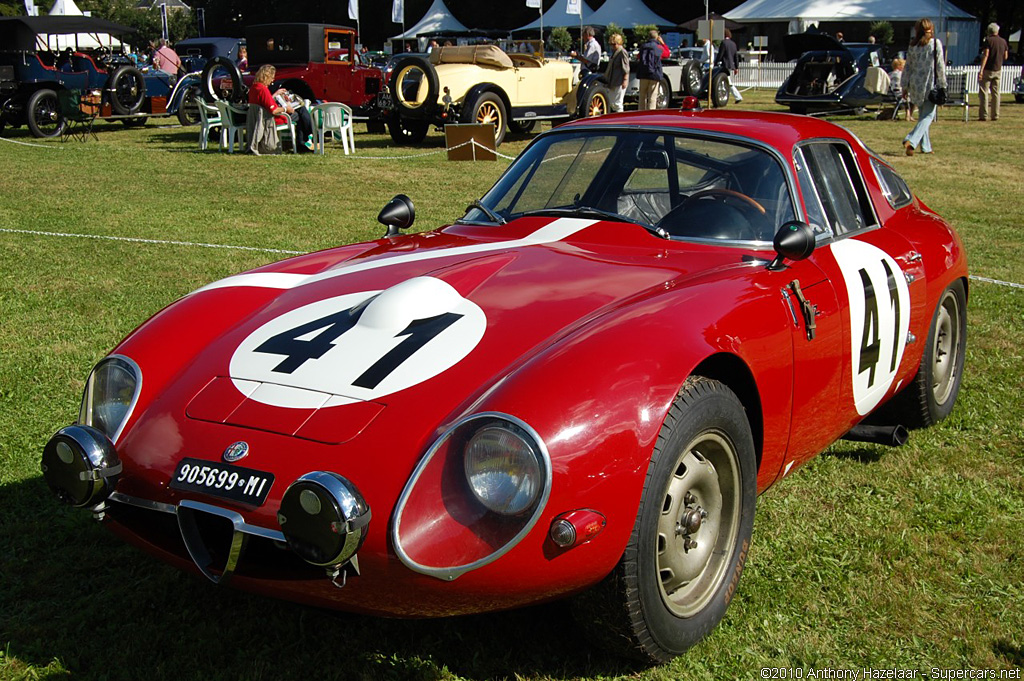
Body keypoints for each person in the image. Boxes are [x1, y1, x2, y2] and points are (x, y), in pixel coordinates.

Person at [902, 18, 946, 156]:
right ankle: (911, 140)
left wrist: (905, 85)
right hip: (929, 83)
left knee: (922, 115)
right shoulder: (935, 44)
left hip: (915, 84)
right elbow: (940, 65)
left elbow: (907, 66)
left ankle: (926, 147)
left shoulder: (913, 46)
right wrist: (943, 85)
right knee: (928, 116)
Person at [248, 64, 314, 153]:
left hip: (260, 117)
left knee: (301, 111)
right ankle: (307, 138)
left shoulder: (254, 87)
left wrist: (275, 94)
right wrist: (286, 109)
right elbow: (274, 110)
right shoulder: (263, 90)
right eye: (272, 78)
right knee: (299, 114)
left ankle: (308, 135)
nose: (272, 80)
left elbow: (265, 102)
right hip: (270, 119)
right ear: (267, 77)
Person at [978, 22, 1009, 121]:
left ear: (989, 31)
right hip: (998, 69)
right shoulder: (1003, 41)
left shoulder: (988, 41)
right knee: (996, 93)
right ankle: (995, 115)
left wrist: (981, 70)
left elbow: (986, 55)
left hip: (988, 69)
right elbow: (1006, 56)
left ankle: (984, 115)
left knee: (984, 92)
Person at [636, 30, 664, 110]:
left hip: (643, 73)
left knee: (642, 96)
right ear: (657, 37)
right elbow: (667, 53)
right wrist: (662, 43)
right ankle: (651, 113)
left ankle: (641, 113)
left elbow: (638, 57)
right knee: (652, 96)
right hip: (654, 74)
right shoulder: (658, 47)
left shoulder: (643, 46)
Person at [715, 28, 743, 104]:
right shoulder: (733, 44)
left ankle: (738, 97)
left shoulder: (723, 43)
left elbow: (720, 54)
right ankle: (736, 96)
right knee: (727, 82)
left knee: (728, 82)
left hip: (725, 65)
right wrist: (736, 67)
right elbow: (736, 57)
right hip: (731, 65)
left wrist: (715, 63)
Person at [604, 32, 629, 113]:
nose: (612, 46)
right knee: (612, 102)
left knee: (618, 103)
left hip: (619, 81)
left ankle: (621, 120)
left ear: (619, 43)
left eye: (614, 44)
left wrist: (625, 80)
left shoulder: (622, 52)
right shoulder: (615, 52)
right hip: (613, 80)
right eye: (611, 44)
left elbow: (626, 67)